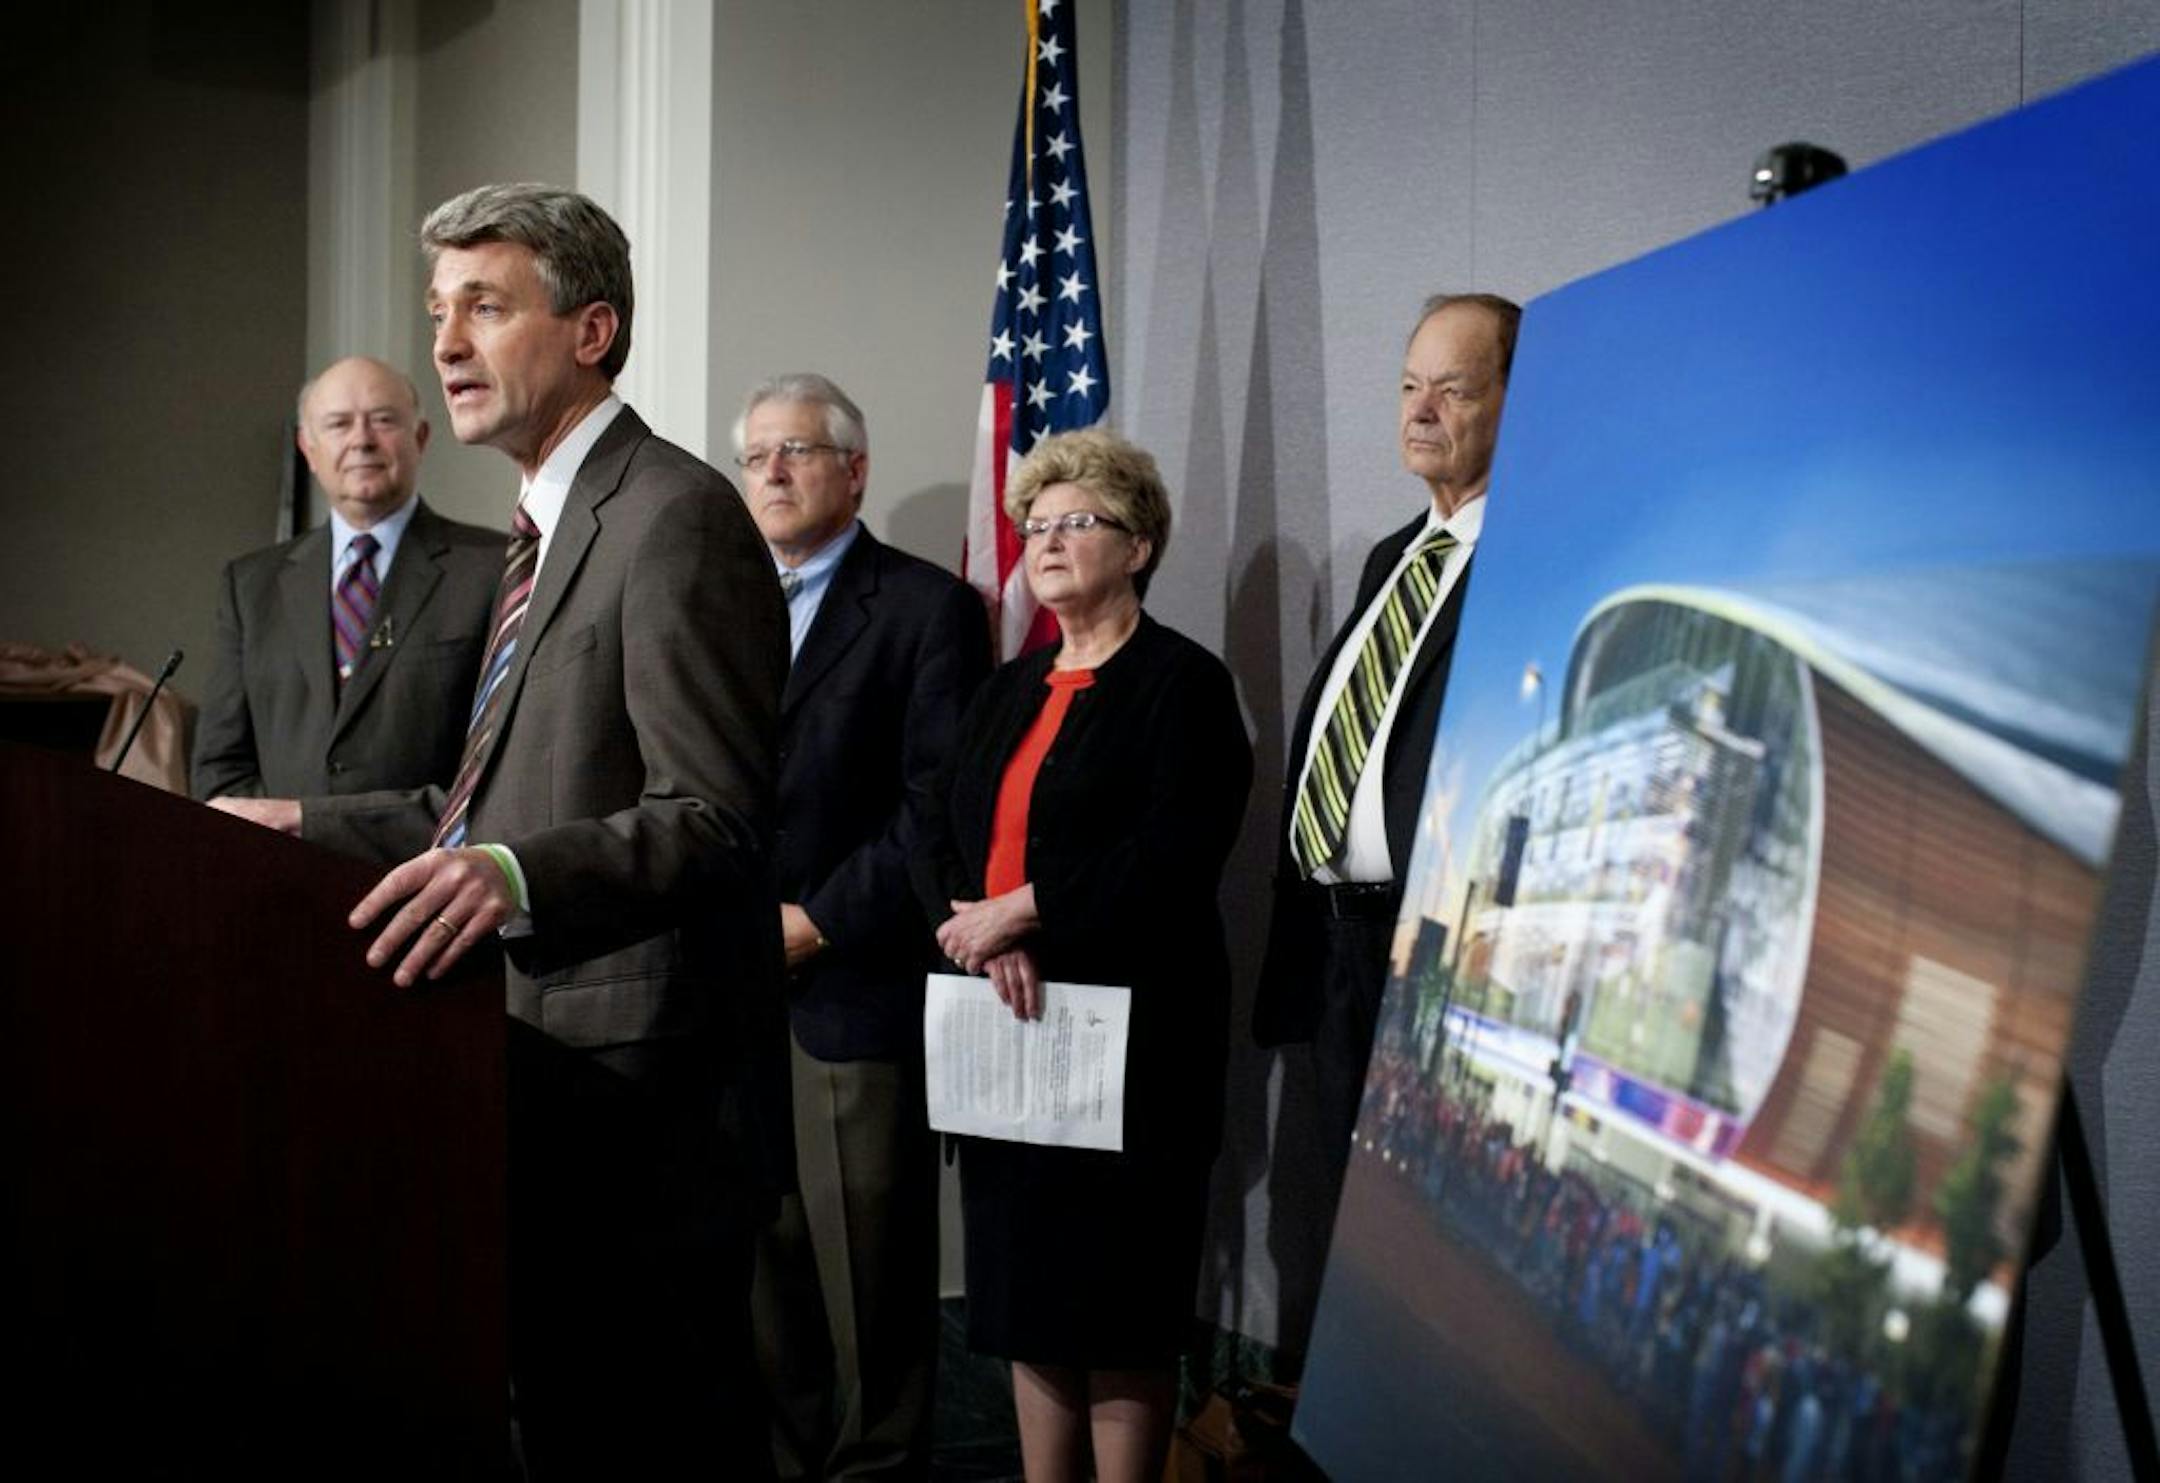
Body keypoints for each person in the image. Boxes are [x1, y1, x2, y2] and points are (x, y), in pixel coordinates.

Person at [211, 183, 791, 1478]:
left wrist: (513, 873)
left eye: (484, 304)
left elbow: (715, 816)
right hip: (537, 1076)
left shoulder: (670, 513)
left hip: (649, 1105)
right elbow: (486, 803)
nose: (448, 345)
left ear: (591, 329)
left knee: (656, 1438)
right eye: (438, 312)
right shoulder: (546, 532)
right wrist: (290, 817)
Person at [916, 429, 1251, 1483]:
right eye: (1037, 526)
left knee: (1118, 1313)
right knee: (1026, 1305)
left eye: (1078, 522)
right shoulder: (1005, 690)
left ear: (1140, 544)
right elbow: (938, 831)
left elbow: (1175, 852)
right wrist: (979, 925)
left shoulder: (1184, 684)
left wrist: (1028, 911)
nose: (1048, 542)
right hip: (1008, 1037)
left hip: (1133, 1056)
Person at [1253, 291, 1520, 1363]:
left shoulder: (1536, 553)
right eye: (1410, 384)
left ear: (1516, 398)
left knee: (1433, 1266)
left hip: (1438, 963)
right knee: (1326, 1252)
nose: (1421, 409)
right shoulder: (1394, 560)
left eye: (1451, 387)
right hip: (1334, 949)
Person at [735, 373, 991, 1480]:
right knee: (767, 1274)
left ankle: (879, 1472)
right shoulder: (719, 596)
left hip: (854, 990)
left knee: (872, 1285)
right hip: (728, 993)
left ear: (855, 469)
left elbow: (934, 806)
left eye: (796, 452)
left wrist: (818, 922)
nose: (774, 474)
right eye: (755, 458)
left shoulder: (927, 607)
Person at [191, 355, 501, 803]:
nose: (362, 441)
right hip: (278, 864)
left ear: (421, 438)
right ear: (308, 448)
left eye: (383, 420)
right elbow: (220, 771)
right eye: (338, 424)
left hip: (427, 866)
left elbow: (500, 773)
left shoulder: (490, 569)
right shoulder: (250, 586)